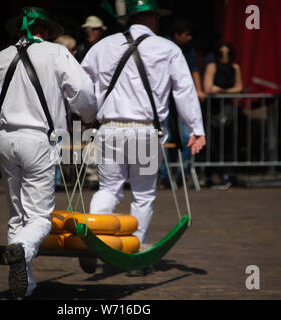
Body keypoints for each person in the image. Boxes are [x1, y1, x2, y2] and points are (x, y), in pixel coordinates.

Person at [0, 7, 97, 299]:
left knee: (17, 215)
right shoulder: (56, 54)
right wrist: (88, 115)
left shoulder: (0, 57)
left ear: (18, 30)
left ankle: (24, 287)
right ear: (46, 29)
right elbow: (82, 91)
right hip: (39, 141)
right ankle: (22, 249)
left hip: (5, 140)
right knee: (40, 218)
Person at [81, 0, 205, 276]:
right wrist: (196, 128)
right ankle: (135, 252)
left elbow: (80, 84)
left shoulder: (102, 46)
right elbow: (184, 91)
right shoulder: (167, 48)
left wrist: (85, 113)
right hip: (146, 132)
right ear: (152, 18)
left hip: (110, 128)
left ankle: (94, 241)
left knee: (108, 189)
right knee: (143, 194)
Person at [159, 18, 205, 188]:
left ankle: (180, 172)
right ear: (176, 35)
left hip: (180, 96)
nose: (190, 37)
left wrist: (199, 90)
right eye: (187, 34)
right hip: (162, 98)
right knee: (164, 136)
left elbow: (193, 71)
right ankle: (164, 174)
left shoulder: (188, 49)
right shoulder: (164, 46)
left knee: (187, 136)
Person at [202, 42, 243, 189]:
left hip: (228, 110)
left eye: (228, 54)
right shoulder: (212, 67)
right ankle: (210, 175)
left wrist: (222, 91)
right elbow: (208, 88)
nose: (224, 57)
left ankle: (225, 174)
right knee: (211, 144)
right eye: (221, 54)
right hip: (212, 110)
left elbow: (239, 87)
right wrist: (223, 90)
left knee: (227, 143)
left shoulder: (235, 67)